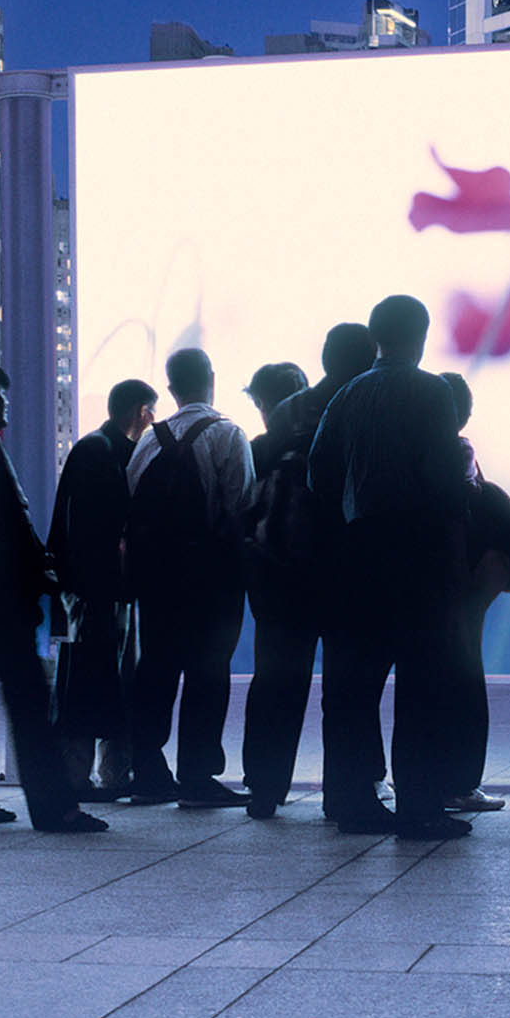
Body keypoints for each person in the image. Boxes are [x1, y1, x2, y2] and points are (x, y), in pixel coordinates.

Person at [308, 295, 475, 840]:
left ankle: (349, 800)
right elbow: (444, 476)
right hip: (417, 555)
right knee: (421, 685)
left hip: (355, 557)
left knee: (353, 687)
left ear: (377, 336)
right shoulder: (432, 392)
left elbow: (320, 474)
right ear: (422, 335)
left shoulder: (350, 393)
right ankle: (420, 806)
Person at [0, 359, 105, 834]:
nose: (6, 404)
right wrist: (49, 574)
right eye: (1, 396)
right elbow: (14, 527)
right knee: (30, 703)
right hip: (0, 604)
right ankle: (55, 808)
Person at [241, 327, 370, 818]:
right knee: (346, 687)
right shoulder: (363, 406)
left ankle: (264, 789)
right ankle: (345, 794)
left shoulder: (288, 410)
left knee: (276, 681)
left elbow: (257, 478)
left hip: (280, 570)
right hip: (343, 569)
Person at [123, 346, 252, 806]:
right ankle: (197, 775)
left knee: (156, 669)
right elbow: (239, 506)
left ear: (172, 389)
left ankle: (148, 770)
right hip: (210, 579)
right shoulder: (227, 435)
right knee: (207, 672)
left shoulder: (147, 442)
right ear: (211, 377)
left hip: (157, 580)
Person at [48, 379, 152, 799]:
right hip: (98, 591)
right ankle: (82, 778)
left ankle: (97, 775)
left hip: (92, 590)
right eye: (149, 411)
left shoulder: (95, 449)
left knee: (94, 680)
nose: (152, 421)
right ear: (137, 410)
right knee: (92, 682)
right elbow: (100, 532)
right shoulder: (103, 454)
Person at [432, 371, 510, 818]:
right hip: (464, 586)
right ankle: (461, 782)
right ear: (463, 413)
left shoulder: (406, 452)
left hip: (426, 585)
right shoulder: (460, 453)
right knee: (466, 681)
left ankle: (427, 779)